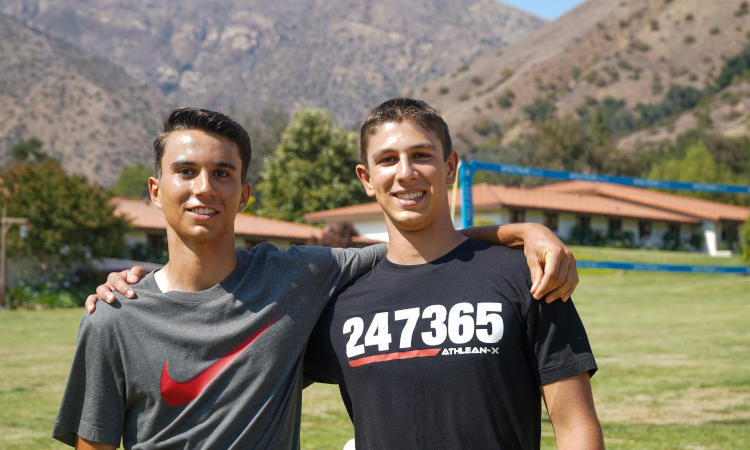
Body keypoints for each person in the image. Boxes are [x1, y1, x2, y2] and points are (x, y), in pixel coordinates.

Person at [54, 107, 579, 449]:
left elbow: (419, 243)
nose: (203, 188)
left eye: (223, 173)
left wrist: (521, 231)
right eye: (185, 171)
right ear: (154, 189)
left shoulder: (299, 275)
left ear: (245, 193)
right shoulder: (114, 317)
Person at [302, 98, 604, 449]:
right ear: (367, 178)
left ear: (450, 166)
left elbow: (575, 426)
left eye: (422, 155)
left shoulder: (527, 278)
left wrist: (525, 231)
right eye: (387, 160)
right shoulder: (341, 305)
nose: (405, 172)